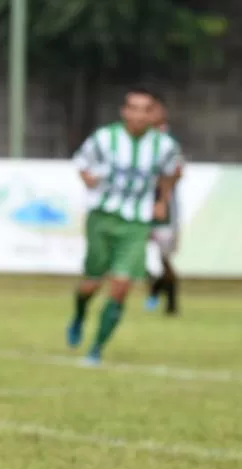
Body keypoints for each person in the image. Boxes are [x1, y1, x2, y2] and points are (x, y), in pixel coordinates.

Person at [67, 87, 181, 364]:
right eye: (135, 108)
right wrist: (88, 178)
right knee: (91, 285)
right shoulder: (106, 138)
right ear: (125, 111)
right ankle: (80, 313)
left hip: (137, 222)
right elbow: (81, 163)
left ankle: (96, 349)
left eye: (146, 109)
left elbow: (173, 171)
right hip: (103, 216)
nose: (140, 115)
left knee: (120, 286)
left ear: (152, 114)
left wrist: (163, 199)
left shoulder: (163, 145)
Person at [144, 98, 183, 316]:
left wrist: (162, 198)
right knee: (133, 251)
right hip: (138, 206)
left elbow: (177, 173)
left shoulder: (168, 143)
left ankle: (169, 299)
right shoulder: (139, 141)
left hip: (164, 210)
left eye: (151, 110)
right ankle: (154, 288)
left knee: (164, 257)